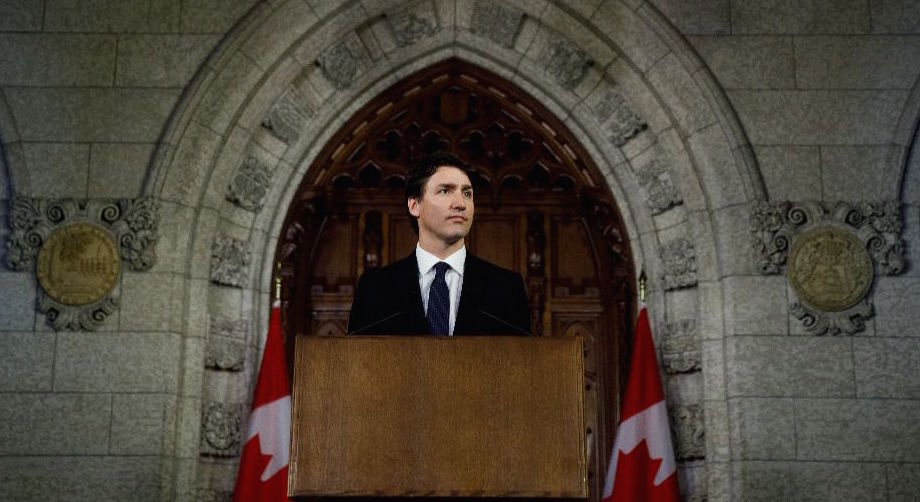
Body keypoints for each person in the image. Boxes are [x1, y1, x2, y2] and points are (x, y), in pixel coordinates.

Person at [347, 151, 532, 336]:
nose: (461, 203)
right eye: (445, 191)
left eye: (467, 193)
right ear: (414, 205)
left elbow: (523, 362)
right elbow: (358, 361)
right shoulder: (375, 289)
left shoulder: (507, 288)